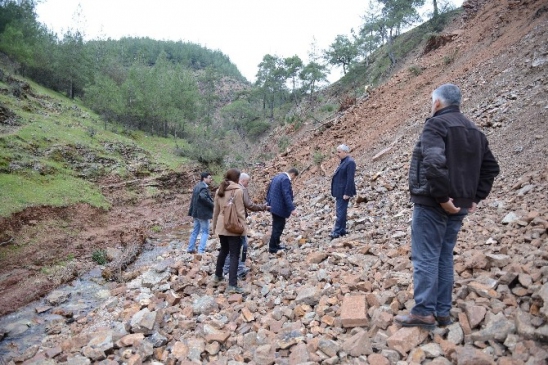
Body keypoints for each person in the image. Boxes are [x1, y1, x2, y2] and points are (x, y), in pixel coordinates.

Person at [395, 84, 499, 330]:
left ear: (438, 103)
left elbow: (433, 161)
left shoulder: (436, 124)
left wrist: (442, 198)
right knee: (443, 257)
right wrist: (474, 197)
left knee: (426, 258)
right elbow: (491, 168)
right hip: (460, 205)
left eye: (432, 101)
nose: (431, 105)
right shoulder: (475, 131)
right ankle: (442, 312)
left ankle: (423, 312)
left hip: (433, 203)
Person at [223, 173, 269, 277]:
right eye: (247, 182)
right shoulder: (241, 189)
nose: (247, 184)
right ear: (242, 180)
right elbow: (249, 205)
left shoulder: (229, 188)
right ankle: (239, 269)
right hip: (238, 221)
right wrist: (263, 207)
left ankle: (226, 268)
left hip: (228, 220)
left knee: (230, 245)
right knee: (241, 244)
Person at [211, 168, 247, 294]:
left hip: (221, 226)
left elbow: (215, 211)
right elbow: (240, 212)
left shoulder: (219, 189)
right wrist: (243, 229)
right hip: (233, 226)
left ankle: (217, 276)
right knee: (234, 255)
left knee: (224, 250)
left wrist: (214, 227)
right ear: (237, 179)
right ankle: (232, 284)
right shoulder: (238, 190)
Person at [266, 167, 299, 254]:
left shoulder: (278, 176)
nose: (292, 179)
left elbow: (269, 190)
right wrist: (292, 209)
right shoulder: (285, 179)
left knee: (277, 226)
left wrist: (268, 202)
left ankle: (276, 244)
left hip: (273, 206)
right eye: (294, 177)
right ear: (292, 174)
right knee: (278, 227)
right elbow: (286, 195)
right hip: (279, 208)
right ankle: (273, 247)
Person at [330, 144, 356, 239]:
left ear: (345, 152)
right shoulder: (343, 161)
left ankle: (337, 231)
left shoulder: (350, 162)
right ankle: (342, 230)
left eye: (339, 152)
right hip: (339, 191)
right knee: (341, 211)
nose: (337, 154)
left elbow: (350, 179)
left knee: (340, 212)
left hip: (343, 192)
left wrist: (347, 193)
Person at [187, 172, 214, 254]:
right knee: (205, 232)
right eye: (209, 178)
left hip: (195, 213)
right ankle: (201, 251)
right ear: (204, 178)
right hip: (202, 214)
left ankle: (190, 248)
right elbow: (203, 197)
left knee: (195, 231)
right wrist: (213, 205)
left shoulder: (197, 186)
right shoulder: (203, 187)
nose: (210, 180)